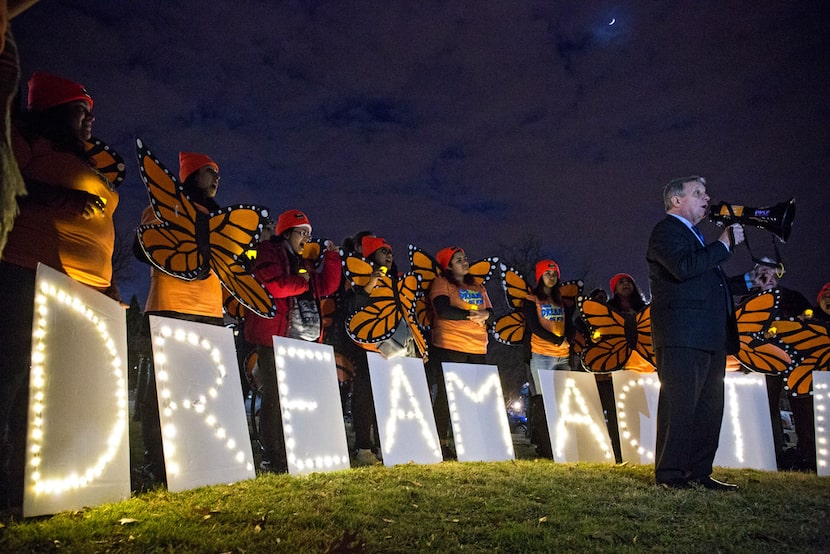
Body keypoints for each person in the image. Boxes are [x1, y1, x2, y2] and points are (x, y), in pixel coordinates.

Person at [1, 72, 119, 509]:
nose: (89, 121)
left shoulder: (82, 157)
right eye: (79, 111)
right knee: (14, 375)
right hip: (25, 272)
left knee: (55, 385)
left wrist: (106, 285)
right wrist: (58, 199)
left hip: (79, 287)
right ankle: (9, 484)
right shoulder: (25, 138)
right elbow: (6, 183)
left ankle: (42, 481)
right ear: (52, 111)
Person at [646, 175, 745, 491]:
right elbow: (683, 268)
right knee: (681, 404)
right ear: (677, 200)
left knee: (708, 407)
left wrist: (749, 281)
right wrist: (724, 244)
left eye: (706, 191)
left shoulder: (698, 237)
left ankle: (699, 471)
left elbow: (709, 283)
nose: (707, 197)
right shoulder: (666, 231)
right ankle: (671, 473)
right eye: (698, 192)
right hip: (682, 335)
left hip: (708, 335)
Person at [133, 152, 226, 486]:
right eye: (208, 172)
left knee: (203, 391)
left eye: (217, 174)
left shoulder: (220, 219)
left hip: (210, 311)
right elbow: (141, 247)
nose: (216, 179)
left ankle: (199, 457)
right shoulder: (162, 207)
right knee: (163, 393)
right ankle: (159, 465)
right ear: (189, 177)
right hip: (169, 306)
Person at [243, 209, 341, 473]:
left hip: (303, 343)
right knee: (274, 397)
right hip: (274, 339)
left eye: (309, 234)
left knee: (298, 398)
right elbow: (273, 286)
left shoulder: (304, 263)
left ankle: (296, 449)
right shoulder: (267, 251)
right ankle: (272, 455)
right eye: (302, 233)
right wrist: (301, 282)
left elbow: (326, 287)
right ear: (286, 233)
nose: (306, 239)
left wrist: (332, 257)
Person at [427, 246, 494, 458]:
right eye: (458, 260)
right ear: (448, 265)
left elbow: (491, 312)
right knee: (448, 397)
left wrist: (485, 314)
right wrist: (472, 316)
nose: (465, 262)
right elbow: (443, 310)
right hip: (450, 345)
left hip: (477, 347)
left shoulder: (478, 286)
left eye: (465, 258)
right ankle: (441, 442)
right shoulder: (442, 283)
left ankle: (470, 441)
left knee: (474, 397)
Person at [341, 236, 401, 466]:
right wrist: (367, 286)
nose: (388, 255)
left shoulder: (394, 279)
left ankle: (384, 444)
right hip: (365, 347)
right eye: (382, 251)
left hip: (391, 347)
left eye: (390, 251)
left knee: (385, 398)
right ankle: (363, 446)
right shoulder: (356, 275)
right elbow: (349, 307)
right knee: (364, 396)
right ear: (370, 255)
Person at [522, 259, 574, 458]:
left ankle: (562, 444)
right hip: (542, 355)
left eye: (554, 274)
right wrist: (556, 340)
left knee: (562, 401)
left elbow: (569, 325)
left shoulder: (562, 301)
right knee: (543, 401)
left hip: (563, 357)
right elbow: (534, 326)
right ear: (540, 277)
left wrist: (567, 340)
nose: (551, 277)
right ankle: (544, 446)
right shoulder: (531, 299)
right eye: (547, 273)